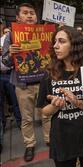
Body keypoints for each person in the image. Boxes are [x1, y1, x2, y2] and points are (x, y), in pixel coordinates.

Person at [37, 26, 83, 167]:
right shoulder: (49, 74)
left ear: (74, 45)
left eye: (62, 41)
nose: (56, 46)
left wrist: (77, 102)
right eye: (55, 42)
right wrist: (54, 106)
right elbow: (43, 111)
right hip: (62, 140)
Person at [1, 3, 51, 162]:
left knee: (46, 114)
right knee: (27, 118)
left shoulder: (45, 33)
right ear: (18, 17)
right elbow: (5, 63)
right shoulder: (10, 36)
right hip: (23, 85)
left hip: (43, 82)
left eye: (32, 13)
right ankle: (30, 144)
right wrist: (10, 53)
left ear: (36, 17)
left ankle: (49, 139)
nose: (29, 15)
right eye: (25, 13)